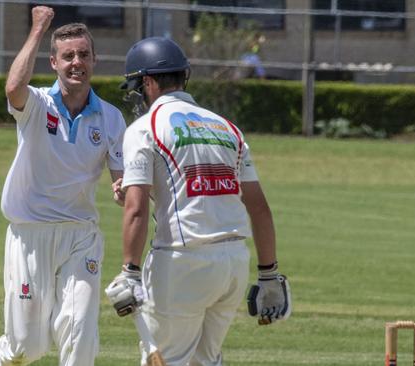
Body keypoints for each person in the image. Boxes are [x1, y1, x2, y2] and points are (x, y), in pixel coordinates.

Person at [105, 37, 291, 366]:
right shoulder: (226, 127)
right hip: (232, 263)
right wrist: (269, 274)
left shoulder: (145, 128)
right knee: (205, 361)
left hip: (182, 261)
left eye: (137, 86)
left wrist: (130, 273)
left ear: (147, 82)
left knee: (166, 360)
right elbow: (258, 208)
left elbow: (136, 209)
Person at [0, 6, 126, 366]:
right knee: (24, 347)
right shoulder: (37, 103)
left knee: (80, 329)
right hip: (30, 234)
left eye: (83, 54)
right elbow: (14, 87)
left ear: (94, 59)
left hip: (81, 235)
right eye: (68, 56)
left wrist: (123, 189)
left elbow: (120, 176)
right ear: (54, 62)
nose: (76, 62)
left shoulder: (111, 117)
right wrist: (37, 29)